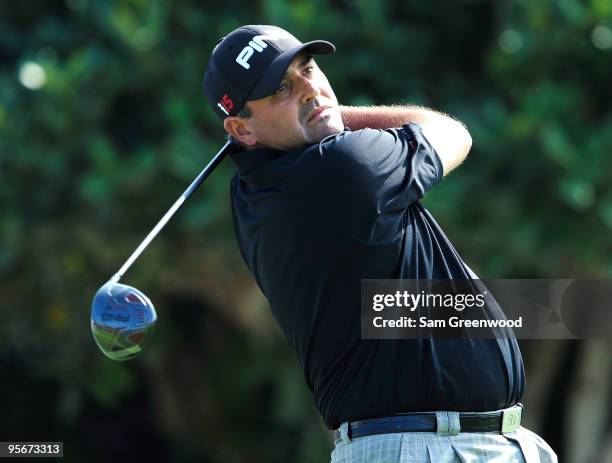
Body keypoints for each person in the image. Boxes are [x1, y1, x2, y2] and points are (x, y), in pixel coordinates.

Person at [203, 24, 558, 462]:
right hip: (425, 449)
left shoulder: (251, 196)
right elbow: (450, 132)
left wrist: (310, 113)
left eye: (309, 70)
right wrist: (335, 113)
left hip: (455, 443)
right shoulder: (343, 170)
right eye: (281, 89)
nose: (311, 89)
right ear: (241, 129)